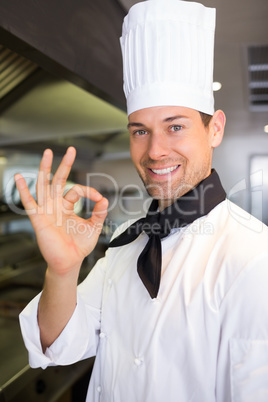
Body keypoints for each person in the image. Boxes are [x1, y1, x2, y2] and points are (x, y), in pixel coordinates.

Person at [17, 1, 268, 401]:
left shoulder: (254, 259)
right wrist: (62, 271)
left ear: (215, 129)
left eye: (176, 126)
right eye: (140, 131)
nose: (155, 151)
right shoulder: (127, 244)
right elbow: (60, 342)